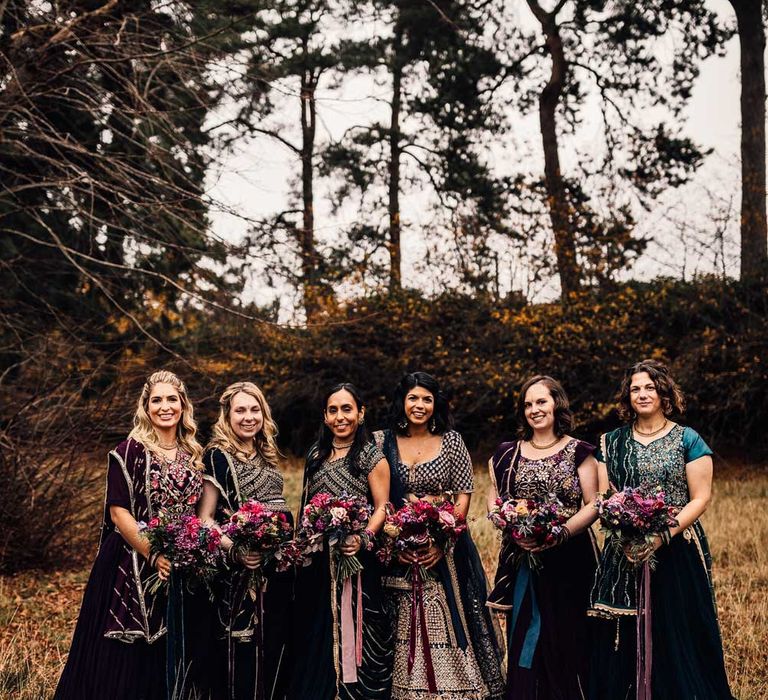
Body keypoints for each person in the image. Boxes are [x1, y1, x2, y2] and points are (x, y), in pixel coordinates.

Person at [55, 370, 206, 700]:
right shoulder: (129, 451)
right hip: (132, 564)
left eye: (171, 399)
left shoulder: (194, 454)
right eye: (156, 400)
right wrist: (154, 553)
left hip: (182, 564)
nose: (165, 407)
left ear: (183, 404)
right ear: (145, 407)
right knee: (129, 659)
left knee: (176, 649)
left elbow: (198, 514)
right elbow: (119, 513)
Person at [589, 359, 733, 699]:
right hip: (624, 549)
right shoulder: (611, 442)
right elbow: (605, 497)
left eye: (649, 387)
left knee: (676, 626)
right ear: (627, 397)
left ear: (663, 392)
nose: (642, 394)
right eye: (635, 388)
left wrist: (662, 535)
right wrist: (623, 530)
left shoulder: (688, 439)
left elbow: (700, 498)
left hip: (677, 546)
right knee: (622, 633)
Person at [376, 371, 505, 700]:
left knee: (451, 618)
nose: (419, 405)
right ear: (401, 401)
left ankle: (455, 688)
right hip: (396, 548)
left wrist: (442, 537)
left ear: (436, 404)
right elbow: (376, 497)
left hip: (445, 547)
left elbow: (464, 494)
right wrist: (394, 540)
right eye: (413, 398)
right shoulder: (380, 442)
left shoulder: (451, 441)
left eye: (427, 399)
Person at [486, 375, 599, 699]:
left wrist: (560, 533)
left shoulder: (580, 451)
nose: (534, 409)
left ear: (556, 404)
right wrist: (510, 526)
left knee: (568, 640)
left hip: (571, 560)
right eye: (528, 404)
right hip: (525, 558)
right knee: (527, 639)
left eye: (541, 401)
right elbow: (494, 500)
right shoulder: (508, 453)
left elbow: (594, 504)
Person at [288, 382, 393, 700]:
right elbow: (305, 504)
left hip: (357, 562)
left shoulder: (371, 457)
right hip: (319, 563)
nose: (340, 416)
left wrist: (362, 538)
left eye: (347, 409)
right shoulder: (316, 455)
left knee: (360, 631)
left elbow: (382, 508)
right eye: (333, 410)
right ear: (325, 416)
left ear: (361, 414)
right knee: (317, 629)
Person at [198, 381, 293, 700]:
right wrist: (235, 550)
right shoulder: (217, 456)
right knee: (239, 648)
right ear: (227, 415)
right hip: (236, 572)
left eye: (255, 410)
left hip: (273, 568)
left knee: (271, 646)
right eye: (240, 410)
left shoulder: (266, 453)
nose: (248, 417)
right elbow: (206, 519)